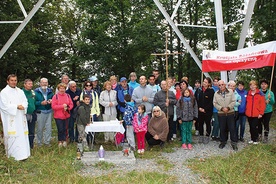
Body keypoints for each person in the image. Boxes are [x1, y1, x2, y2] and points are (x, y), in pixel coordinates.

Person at [0, 74, 30, 160]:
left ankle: (23, 155)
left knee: (21, 136)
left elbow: (25, 101)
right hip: (11, 119)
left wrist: (23, 106)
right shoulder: (4, 92)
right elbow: (4, 106)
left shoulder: (20, 91)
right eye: (12, 80)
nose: (14, 82)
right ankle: (13, 156)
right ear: (8, 81)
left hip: (20, 117)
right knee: (13, 136)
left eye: (15, 80)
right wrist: (16, 106)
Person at [213, 80, 238, 151]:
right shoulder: (216, 94)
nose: (221, 86)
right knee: (222, 128)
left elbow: (234, 101)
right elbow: (214, 103)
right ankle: (223, 141)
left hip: (230, 113)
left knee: (232, 128)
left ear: (225, 85)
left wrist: (228, 107)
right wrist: (221, 108)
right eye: (219, 85)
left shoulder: (230, 92)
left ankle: (234, 143)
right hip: (221, 114)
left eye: (222, 84)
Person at [51, 83, 73, 147]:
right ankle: (60, 141)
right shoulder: (55, 96)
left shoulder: (68, 96)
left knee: (65, 129)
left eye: (63, 88)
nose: (62, 90)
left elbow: (71, 104)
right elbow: (53, 106)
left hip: (66, 115)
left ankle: (65, 140)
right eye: (60, 88)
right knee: (60, 129)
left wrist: (68, 108)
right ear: (58, 89)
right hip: (58, 116)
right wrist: (62, 106)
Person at [35, 77, 54, 147]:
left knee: (48, 128)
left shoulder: (50, 91)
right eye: (43, 82)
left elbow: (53, 99)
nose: (44, 84)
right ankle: (39, 143)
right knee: (40, 128)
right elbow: (34, 102)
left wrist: (51, 101)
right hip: (40, 111)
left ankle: (47, 142)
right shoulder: (35, 92)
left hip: (49, 111)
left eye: (46, 82)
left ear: (48, 84)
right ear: (40, 83)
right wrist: (40, 103)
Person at [245, 80, 265, 144]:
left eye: (254, 85)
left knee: (254, 127)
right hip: (249, 113)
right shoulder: (248, 93)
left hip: (256, 114)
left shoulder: (260, 94)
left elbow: (263, 105)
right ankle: (252, 138)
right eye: (251, 85)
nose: (252, 86)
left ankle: (256, 139)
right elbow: (246, 103)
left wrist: (261, 113)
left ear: (256, 86)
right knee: (251, 127)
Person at [196, 77, 214, 144]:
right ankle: (201, 135)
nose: (204, 83)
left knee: (208, 123)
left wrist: (205, 109)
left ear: (209, 83)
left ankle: (207, 136)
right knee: (200, 123)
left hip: (207, 111)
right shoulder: (200, 91)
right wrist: (199, 108)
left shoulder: (211, 91)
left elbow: (211, 102)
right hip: (200, 111)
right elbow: (198, 101)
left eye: (206, 82)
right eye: (204, 81)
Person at [22, 79, 36, 149]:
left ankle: (31, 146)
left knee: (32, 131)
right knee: (24, 131)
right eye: (29, 84)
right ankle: (24, 146)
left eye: (31, 84)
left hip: (32, 114)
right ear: (25, 85)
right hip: (24, 114)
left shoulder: (33, 92)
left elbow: (35, 102)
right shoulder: (21, 92)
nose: (31, 85)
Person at [211, 76, 220, 141]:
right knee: (216, 122)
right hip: (214, 109)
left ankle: (217, 135)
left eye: (217, 81)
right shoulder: (211, 89)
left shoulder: (221, 89)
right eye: (215, 81)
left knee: (219, 123)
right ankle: (213, 134)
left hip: (220, 109)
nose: (216, 83)